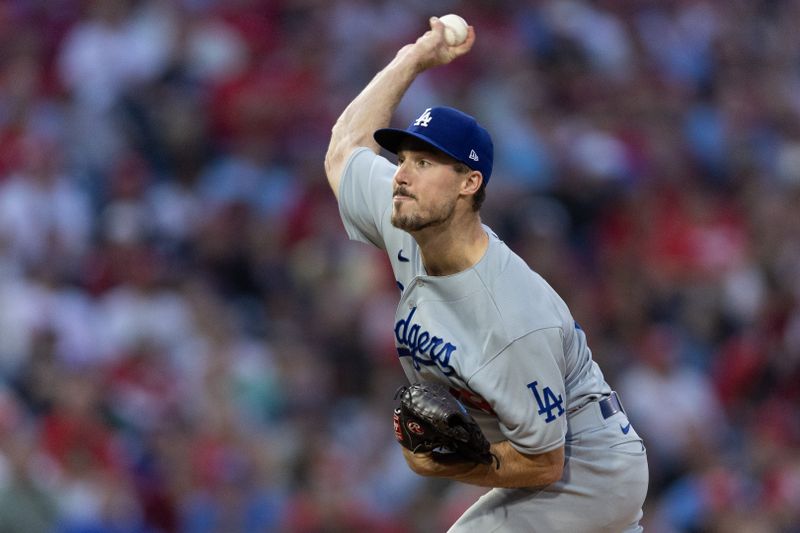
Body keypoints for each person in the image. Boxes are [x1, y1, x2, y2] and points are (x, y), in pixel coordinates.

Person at [324, 16, 649, 533]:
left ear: (468, 183)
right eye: (403, 157)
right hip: (550, 457)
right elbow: (346, 146)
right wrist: (414, 57)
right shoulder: (405, 213)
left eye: (425, 163)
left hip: (589, 468)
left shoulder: (513, 317)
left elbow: (544, 462)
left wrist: (443, 464)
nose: (402, 173)